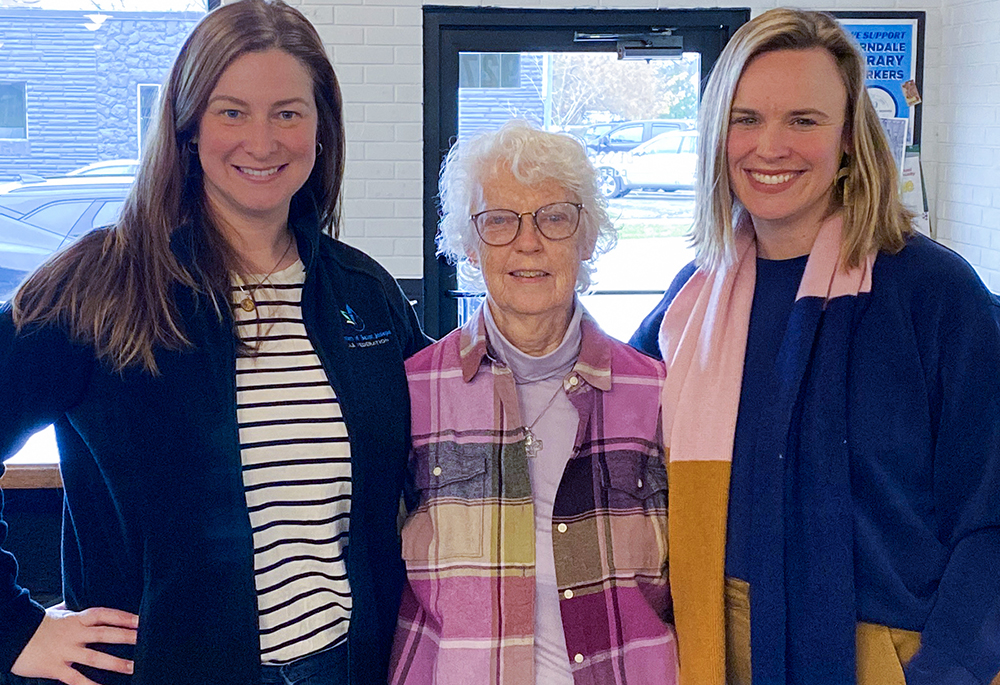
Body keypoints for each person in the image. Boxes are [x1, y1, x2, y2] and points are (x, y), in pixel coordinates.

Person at [0, 1, 426, 683]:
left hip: (346, 667)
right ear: (189, 127)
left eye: (288, 112)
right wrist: (13, 628)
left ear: (321, 130)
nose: (262, 141)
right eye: (232, 111)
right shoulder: (100, 287)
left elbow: (451, 433)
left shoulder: (363, 294)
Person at [630, 8, 1000, 685]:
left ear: (851, 140)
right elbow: (610, 433)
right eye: (746, 119)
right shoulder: (690, 300)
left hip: (890, 652)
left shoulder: (936, 295)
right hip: (713, 642)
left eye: (804, 120)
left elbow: (993, 517)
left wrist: (949, 669)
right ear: (717, 137)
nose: (770, 146)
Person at [389, 120, 678, 685]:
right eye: (498, 220)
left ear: (586, 236)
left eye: (554, 217)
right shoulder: (412, 392)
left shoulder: (656, 394)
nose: (528, 241)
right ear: (469, 247)